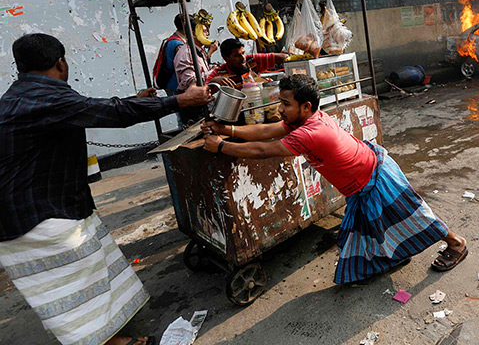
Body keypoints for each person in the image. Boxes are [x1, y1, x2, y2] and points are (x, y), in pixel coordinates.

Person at [0, 33, 213, 345]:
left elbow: (95, 107)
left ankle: (105, 331)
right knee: (74, 288)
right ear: (60, 63)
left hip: (24, 210)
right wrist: (180, 101)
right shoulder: (49, 100)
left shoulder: (18, 97)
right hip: (38, 214)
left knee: (81, 274)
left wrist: (138, 101)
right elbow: (111, 113)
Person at [201, 74, 467, 284]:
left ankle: (457, 244)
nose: (279, 109)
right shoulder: (304, 120)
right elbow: (267, 130)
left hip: (376, 178)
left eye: (285, 104)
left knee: (415, 217)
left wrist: (222, 146)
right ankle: (394, 257)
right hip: (361, 182)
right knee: (376, 228)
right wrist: (226, 129)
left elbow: (264, 149)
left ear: (305, 106)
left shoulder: (310, 132)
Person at [173, 20, 227, 125]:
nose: (207, 35)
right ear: (194, 33)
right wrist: (213, 74)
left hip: (203, 98)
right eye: (204, 31)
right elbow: (189, 81)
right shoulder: (186, 54)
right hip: (193, 105)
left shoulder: (199, 50)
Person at [206, 38, 287, 85]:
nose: (242, 58)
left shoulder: (251, 60)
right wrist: (214, 81)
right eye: (237, 56)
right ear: (225, 58)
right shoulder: (219, 73)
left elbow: (283, 57)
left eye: (243, 53)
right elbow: (204, 90)